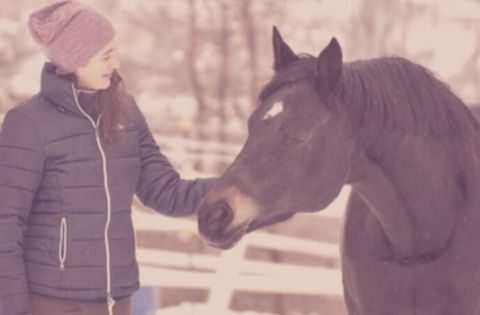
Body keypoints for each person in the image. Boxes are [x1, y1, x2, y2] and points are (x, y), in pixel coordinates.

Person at [0, 1, 216, 315]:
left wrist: (242, 185)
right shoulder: (28, 123)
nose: (115, 63)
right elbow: (5, 224)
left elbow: (167, 193)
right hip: (53, 303)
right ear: (76, 58)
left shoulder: (125, 112)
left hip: (117, 300)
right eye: (106, 54)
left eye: (114, 51)